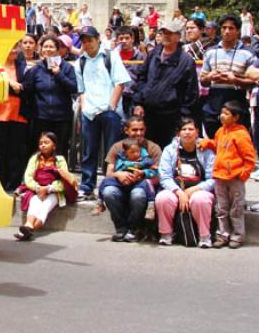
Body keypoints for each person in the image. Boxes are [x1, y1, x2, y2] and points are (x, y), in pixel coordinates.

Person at [74, 25, 131, 200]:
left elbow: (120, 82)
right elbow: (81, 89)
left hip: (109, 111)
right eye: (84, 41)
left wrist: (112, 106)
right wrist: (84, 107)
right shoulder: (80, 62)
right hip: (90, 112)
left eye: (90, 40)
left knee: (112, 150)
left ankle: (111, 184)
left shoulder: (110, 56)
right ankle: (87, 185)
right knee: (89, 151)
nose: (87, 44)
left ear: (98, 39)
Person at [133, 19, 199, 149]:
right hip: (148, 115)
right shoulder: (152, 55)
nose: (166, 36)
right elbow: (141, 78)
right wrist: (138, 103)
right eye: (164, 32)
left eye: (170, 33)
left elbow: (190, 93)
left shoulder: (186, 61)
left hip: (171, 118)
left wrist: (182, 120)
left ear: (178, 36)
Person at [198, 101, 255, 248]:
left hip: (235, 178)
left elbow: (249, 159)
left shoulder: (241, 134)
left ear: (235, 117)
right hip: (220, 177)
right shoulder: (221, 131)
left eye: (226, 114)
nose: (222, 116)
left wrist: (243, 174)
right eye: (222, 113)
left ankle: (237, 236)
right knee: (221, 208)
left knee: (236, 208)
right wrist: (207, 143)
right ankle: (223, 234)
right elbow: (217, 145)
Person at [155, 117, 216, 248]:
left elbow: (213, 178)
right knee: (163, 198)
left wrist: (194, 190)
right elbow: (164, 176)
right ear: (178, 133)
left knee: (200, 200)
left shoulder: (207, 150)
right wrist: (179, 193)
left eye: (191, 129)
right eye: (184, 129)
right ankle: (166, 234)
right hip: (176, 188)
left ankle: (205, 236)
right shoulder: (169, 149)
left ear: (197, 132)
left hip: (200, 189)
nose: (187, 132)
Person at [99, 116, 162, 240]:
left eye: (141, 130)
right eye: (134, 130)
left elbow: (158, 176)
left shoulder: (153, 148)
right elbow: (109, 173)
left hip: (142, 186)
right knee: (108, 191)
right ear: (126, 130)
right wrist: (119, 175)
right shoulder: (117, 147)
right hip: (120, 184)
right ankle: (121, 229)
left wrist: (141, 175)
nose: (138, 133)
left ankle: (134, 230)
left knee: (138, 194)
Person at [200, 13, 255, 138]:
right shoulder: (210, 51)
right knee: (214, 144)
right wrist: (210, 77)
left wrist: (235, 80)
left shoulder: (248, 53)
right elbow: (203, 81)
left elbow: (253, 82)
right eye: (224, 28)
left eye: (231, 28)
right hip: (213, 104)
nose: (227, 31)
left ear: (238, 31)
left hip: (237, 104)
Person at [22, 33, 77, 157]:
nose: (48, 49)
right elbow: (27, 91)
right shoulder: (35, 69)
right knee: (39, 152)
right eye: (45, 46)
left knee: (60, 152)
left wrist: (59, 74)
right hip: (41, 118)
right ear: (41, 49)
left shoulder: (67, 68)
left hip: (62, 118)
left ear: (57, 49)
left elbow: (74, 88)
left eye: (51, 47)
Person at [14, 132, 77, 240]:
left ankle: (28, 230)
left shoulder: (60, 159)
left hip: (55, 192)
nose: (42, 145)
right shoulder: (35, 158)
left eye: (46, 142)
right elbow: (28, 177)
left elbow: (65, 179)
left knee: (45, 207)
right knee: (34, 203)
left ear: (54, 146)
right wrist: (37, 188)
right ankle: (28, 225)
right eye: (41, 143)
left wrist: (49, 188)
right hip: (36, 190)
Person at [95, 138, 158, 226]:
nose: (136, 154)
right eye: (132, 152)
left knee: (147, 183)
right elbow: (111, 173)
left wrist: (143, 173)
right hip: (122, 183)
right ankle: (100, 203)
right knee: (106, 182)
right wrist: (120, 175)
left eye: (138, 151)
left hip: (138, 183)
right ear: (125, 153)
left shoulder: (145, 160)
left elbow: (154, 172)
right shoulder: (121, 160)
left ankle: (151, 207)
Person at [0, 44, 29, 193]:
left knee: (16, 152)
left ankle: (13, 184)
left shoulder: (23, 66)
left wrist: (17, 87)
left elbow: (28, 86)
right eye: (11, 47)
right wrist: (10, 84)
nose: (13, 51)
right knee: (0, 152)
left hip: (19, 115)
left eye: (16, 47)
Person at [115, 25, 145, 119]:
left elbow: (143, 78)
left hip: (133, 97)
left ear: (132, 39)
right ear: (117, 40)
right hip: (117, 97)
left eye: (127, 38)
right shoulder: (112, 57)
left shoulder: (140, 57)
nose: (124, 41)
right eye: (121, 38)